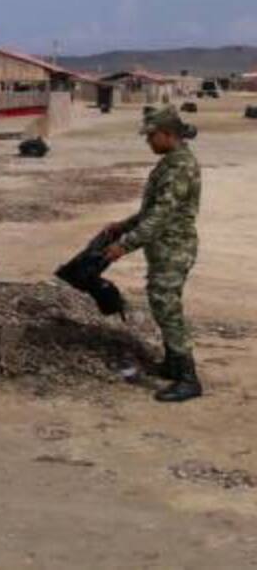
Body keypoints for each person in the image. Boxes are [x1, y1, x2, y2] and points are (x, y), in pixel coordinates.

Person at [102, 106, 203, 402]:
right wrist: (125, 224)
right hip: (164, 248)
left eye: (152, 137)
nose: (148, 143)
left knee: (167, 309)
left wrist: (125, 244)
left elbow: (161, 216)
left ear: (168, 135)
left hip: (174, 248)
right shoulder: (171, 162)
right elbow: (152, 210)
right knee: (162, 303)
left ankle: (189, 378)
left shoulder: (180, 166)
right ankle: (173, 365)